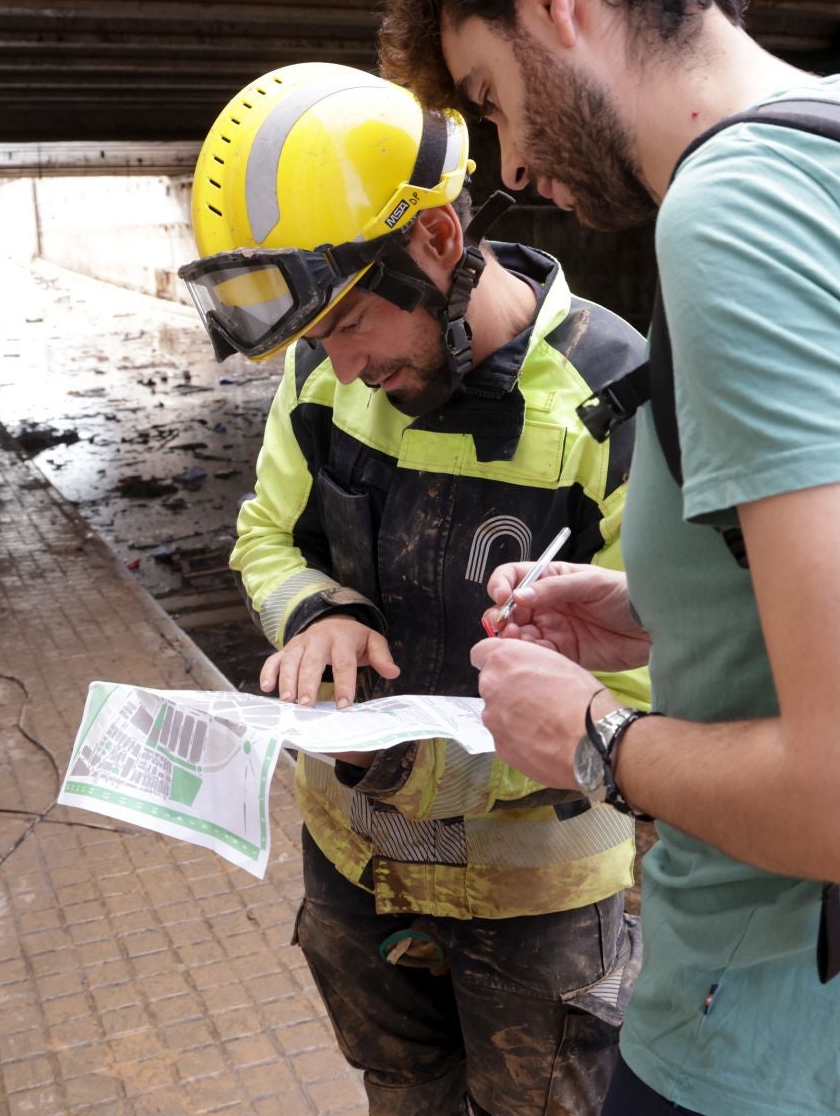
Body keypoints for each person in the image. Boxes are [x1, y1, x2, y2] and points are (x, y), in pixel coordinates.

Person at [377, 0, 840, 1114]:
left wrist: (596, 739)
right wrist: (674, 606)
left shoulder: (738, 214)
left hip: (767, 1056)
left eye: (492, 95)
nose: (508, 169)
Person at [185, 62, 651, 1116]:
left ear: (438, 240)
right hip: (355, 870)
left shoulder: (614, 402)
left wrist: (580, 706)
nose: (339, 370)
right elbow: (265, 539)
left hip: (540, 903)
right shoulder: (319, 377)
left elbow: (685, 666)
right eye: (315, 342)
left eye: (350, 326)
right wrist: (315, 611)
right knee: (400, 1093)